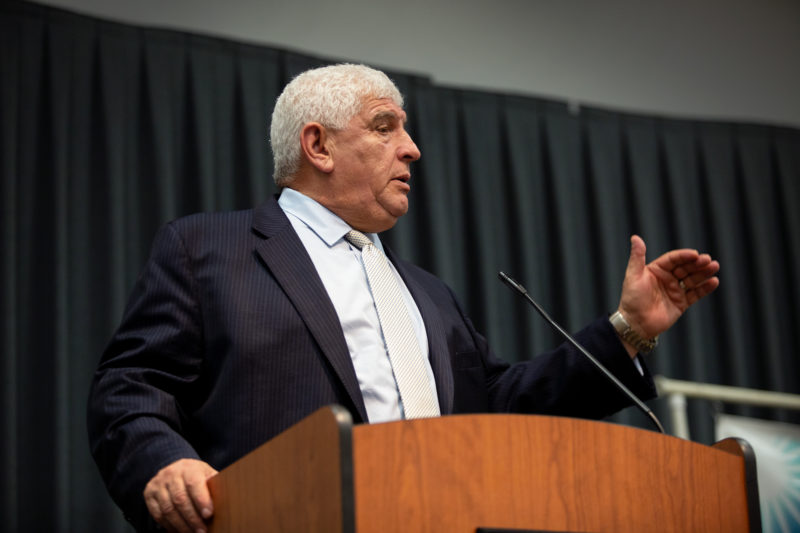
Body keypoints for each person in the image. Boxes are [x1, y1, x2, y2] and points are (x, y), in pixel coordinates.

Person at [87, 64, 720, 533]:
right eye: (384, 127)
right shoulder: (209, 249)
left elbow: (500, 408)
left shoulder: (427, 293)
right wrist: (163, 465)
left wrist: (628, 329)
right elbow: (130, 388)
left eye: (406, 131)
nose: (412, 148)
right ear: (318, 146)